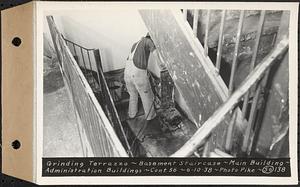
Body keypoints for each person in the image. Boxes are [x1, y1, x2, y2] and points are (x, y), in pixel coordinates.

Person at [124, 33, 157, 122]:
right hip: (138, 74)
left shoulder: (135, 44)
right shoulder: (149, 41)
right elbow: (157, 56)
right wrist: (164, 67)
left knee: (133, 95)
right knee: (146, 96)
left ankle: (132, 114)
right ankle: (150, 117)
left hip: (127, 73)